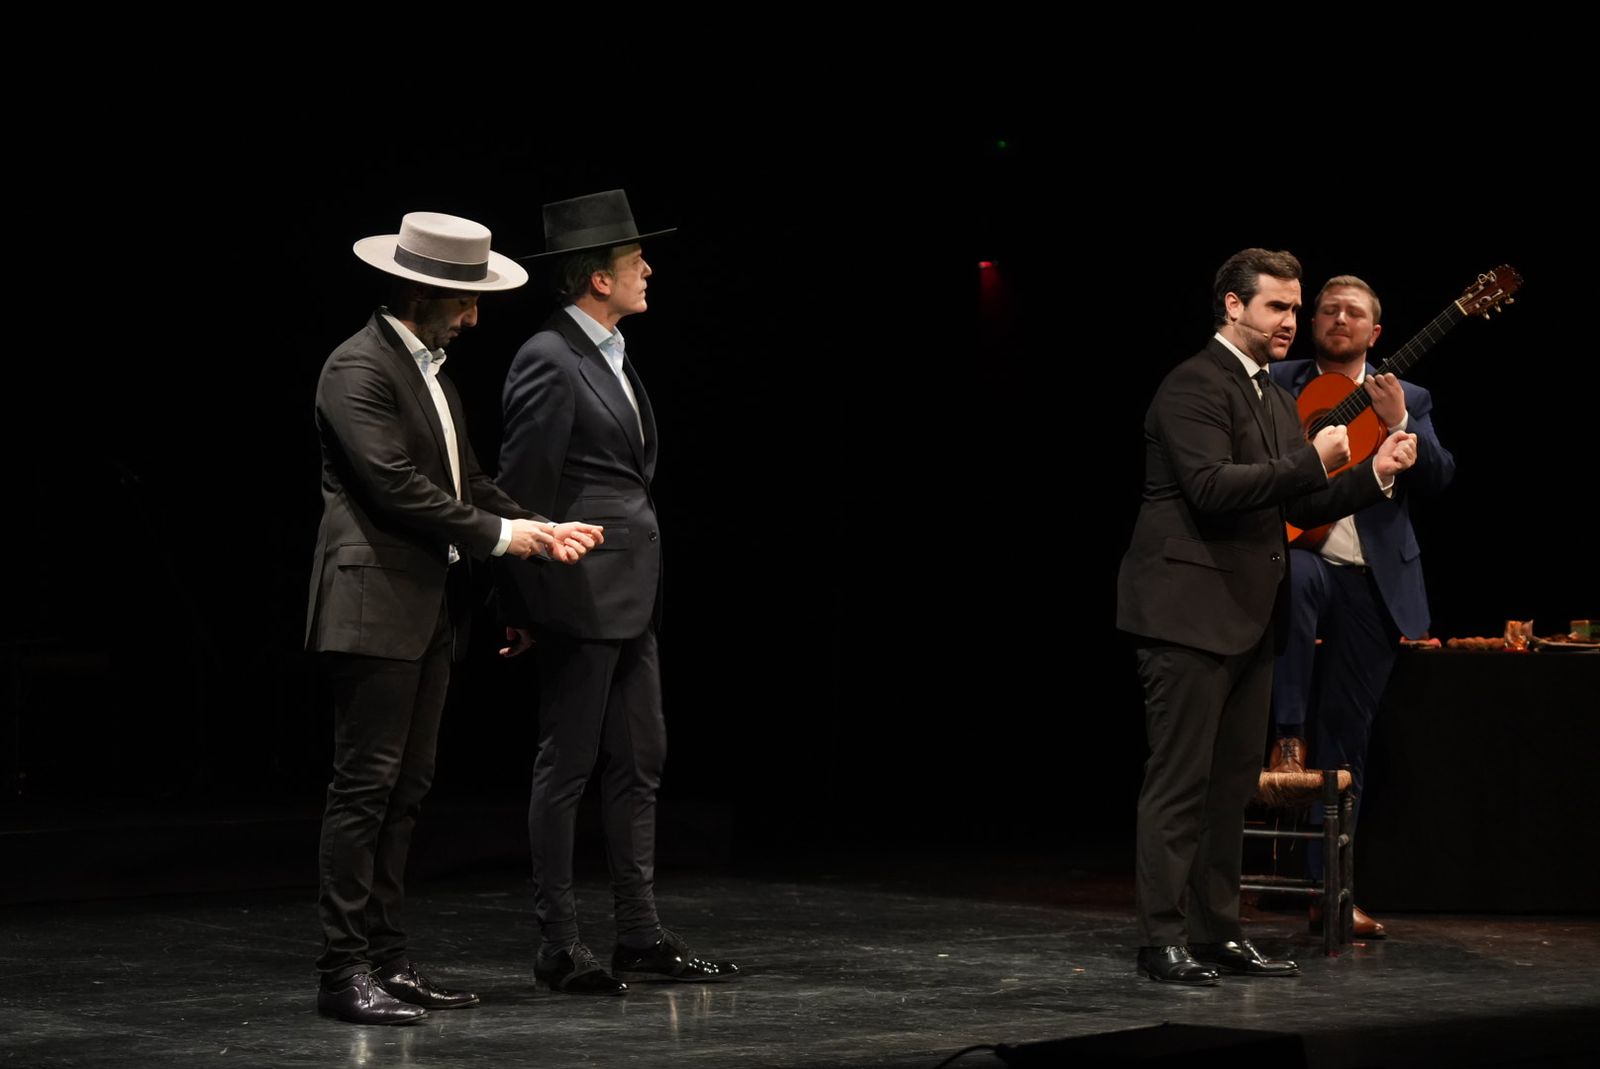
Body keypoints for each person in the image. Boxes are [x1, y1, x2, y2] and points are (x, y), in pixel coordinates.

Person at [307, 211, 603, 1024]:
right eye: (464, 302)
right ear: (421, 290)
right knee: (364, 789)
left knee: (408, 789)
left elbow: (467, 482)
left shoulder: (434, 373)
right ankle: (343, 971)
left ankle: (390, 959)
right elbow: (396, 485)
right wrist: (509, 537)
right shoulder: (355, 367)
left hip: (430, 606)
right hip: (372, 605)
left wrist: (536, 528)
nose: (475, 317)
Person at [1115, 248, 1419, 985]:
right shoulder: (1191, 384)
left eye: (1294, 306)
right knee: (1179, 783)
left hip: (1250, 617)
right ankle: (1162, 937)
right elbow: (1214, 488)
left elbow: (1299, 502)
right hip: (1187, 614)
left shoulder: (1271, 395)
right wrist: (1313, 462)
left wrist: (1371, 476)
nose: (1291, 321)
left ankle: (1217, 931)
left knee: (1228, 788)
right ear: (1232, 306)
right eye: (1277, 307)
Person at [498, 190, 739, 994]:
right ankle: (559, 944)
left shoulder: (613, 354)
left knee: (641, 760)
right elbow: (521, 487)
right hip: (576, 594)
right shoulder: (549, 356)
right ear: (598, 278)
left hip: (634, 595)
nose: (648, 268)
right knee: (566, 766)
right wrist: (521, 602)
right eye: (636, 259)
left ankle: (638, 932)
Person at [1268, 274, 1456, 939]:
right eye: (1328, 309)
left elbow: (1440, 475)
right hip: (1304, 559)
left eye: (1355, 313)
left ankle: (1331, 891)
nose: (1339, 318)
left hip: (1373, 579)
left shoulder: (1409, 395)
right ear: (1311, 320)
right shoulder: (1275, 380)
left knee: (1348, 736)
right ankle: (1286, 730)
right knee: (1297, 569)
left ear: (1376, 333)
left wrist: (1402, 423)